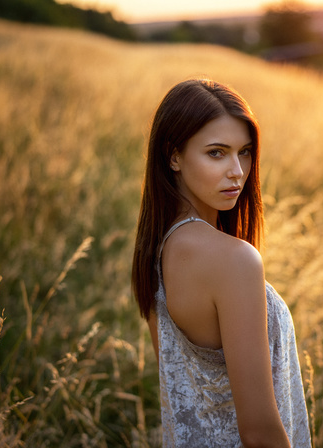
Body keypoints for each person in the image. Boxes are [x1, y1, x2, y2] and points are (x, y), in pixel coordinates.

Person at [132, 78, 311, 447]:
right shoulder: (234, 260)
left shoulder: (155, 252)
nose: (238, 171)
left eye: (244, 152)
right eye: (216, 153)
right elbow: (260, 431)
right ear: (174, 156)